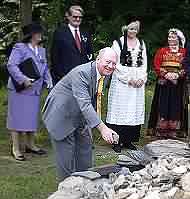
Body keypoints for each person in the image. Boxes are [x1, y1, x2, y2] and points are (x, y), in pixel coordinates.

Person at [42, 47, 118, 181]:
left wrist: (91, 124)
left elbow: (93, 99)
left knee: (85, 155)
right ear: (98, 59)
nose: (110, 66)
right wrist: (103, 128)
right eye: (107, 62)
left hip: (79, 115)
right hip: (61, 115)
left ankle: (85, 188)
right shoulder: (81, 73)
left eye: (114, 63)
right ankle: (65, 196)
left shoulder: (105, 74)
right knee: (66, 163)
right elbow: (85, 104)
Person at [6, 23, 52, 161]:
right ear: (32, 35)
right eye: (38, 32)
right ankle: (16, 148)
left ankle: (30, 145)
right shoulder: (20, 48)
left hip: (34, 90)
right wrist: (23, 79)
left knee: (31, 118)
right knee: (16, 119)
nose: (40, 35)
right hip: (20, 89)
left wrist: (49, 80)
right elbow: (11, 65)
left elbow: (44, 68)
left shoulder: (42, 50)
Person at [106, 20, 147, 152]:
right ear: (125, 29)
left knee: (133, 112)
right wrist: (128, 79)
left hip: (137, 85)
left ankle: (128, 141)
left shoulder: (141, 44)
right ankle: (117, 142)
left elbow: (144, 62)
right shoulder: (117, 43)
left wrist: (141, 78)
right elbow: (115, 64)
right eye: (130, 29)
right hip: (121, 84)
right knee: (120, 112)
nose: (133, 31)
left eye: (135, 29)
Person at [147, 28, 188, 138]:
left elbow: (187, 65)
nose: (170, 39)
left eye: (173, 37)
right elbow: (156, 64)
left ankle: (175, 130)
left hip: (178, 85)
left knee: (176, 105)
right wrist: (166, 74)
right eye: (169, 37)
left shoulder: (184, 52)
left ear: (178, 38)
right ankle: (161, 130)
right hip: (164, 83)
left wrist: (178, 74)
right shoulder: (162, 51)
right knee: (163, 105)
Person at [51, 5, 93, 85]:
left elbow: (90, 54)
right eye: (75, 17)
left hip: (83, 77)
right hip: (65, 77)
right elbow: (55, 57)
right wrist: (61, 76)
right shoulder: (60, 33)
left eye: (80, 17)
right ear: (69, 17)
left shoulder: (86, 33)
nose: (78, 19)